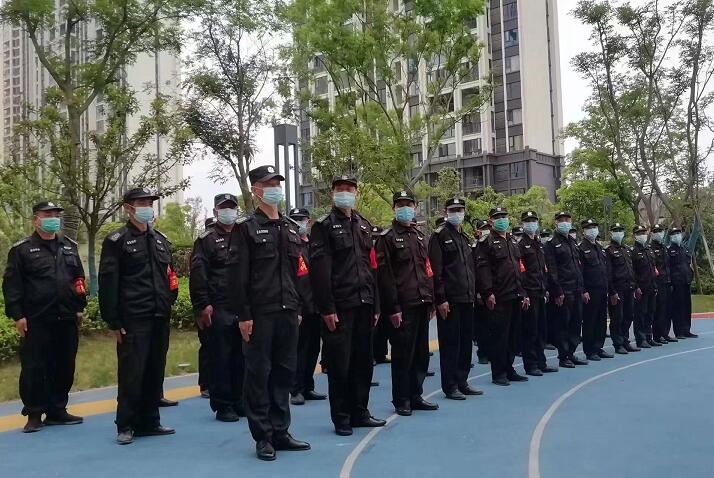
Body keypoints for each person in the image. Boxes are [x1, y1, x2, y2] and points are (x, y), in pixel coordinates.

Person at [227, 166, 311, 461]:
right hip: (260, 314)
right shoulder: (246, 228)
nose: (274, 188)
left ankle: (281, 431)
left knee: (284, 373)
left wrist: (298, 307)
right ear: (256, 190)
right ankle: (263, 436)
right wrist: (244, 315)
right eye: (268, 184)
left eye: (277, 183)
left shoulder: (289, 227)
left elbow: (298, 272)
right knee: (259, 374)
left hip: (288, 312)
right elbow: (237, 276)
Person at [98, 188, 178, 445]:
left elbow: (169, 277)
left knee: (155, 370)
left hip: (159, 315)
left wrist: (169, 303)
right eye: (141, 203)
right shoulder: (117, 241)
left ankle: (150, 420)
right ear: (128, 208)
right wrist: (112, 319)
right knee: (132, 373)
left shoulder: (160, 240)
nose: (146, 207)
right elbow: (108, 282)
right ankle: (126, 424)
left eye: (149, 203)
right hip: (133, 317)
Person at [309, 175, 385, 437]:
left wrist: (376, 305)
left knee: (363, 363)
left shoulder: (364, 225)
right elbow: (320, 272)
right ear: (332, 194)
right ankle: (342, 417)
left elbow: (372, 267)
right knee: (340, 364)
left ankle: (360, 412)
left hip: (364, 303)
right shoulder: (323, 226)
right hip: (340, 306)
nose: (345, 193)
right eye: (340, 189)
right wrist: (327, 308)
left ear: (356, 193)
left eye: (350, 189)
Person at [3, 201, 87, 433]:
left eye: (56, 215)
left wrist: (79, 306)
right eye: (47, 214)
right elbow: (12, 285)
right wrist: (18, 315)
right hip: (37, 319)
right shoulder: (22, 250)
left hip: (66, 317)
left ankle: (57, 410)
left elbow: (78, 279)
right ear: (35, 220)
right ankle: (34, 413)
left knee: (64, 365)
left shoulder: (68, 246)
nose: (53, 218)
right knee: (34, 368)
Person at [376, 191, 439, 414]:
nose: (405, 208)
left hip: (422, 302)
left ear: (414, 207)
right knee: (403, 354)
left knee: (421, 353)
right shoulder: (387, 238)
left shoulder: (419, 236)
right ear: (394, 208)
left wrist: (431, 300)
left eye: (409, 204)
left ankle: (416, 395)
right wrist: (393, 308)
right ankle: (401, 399)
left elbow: (427, 270)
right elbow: (385, 277)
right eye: (400, 204)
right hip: (402, 306)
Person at [189, 194, 244, 422]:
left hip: (242, 305)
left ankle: (240, 400)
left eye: (232, 207)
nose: (228, 212)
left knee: (241, 356)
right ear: (215, 211)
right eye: (224, 208)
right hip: (219, 305)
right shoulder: (207, 239)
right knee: (221, 356)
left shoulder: (243, 235)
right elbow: (198, 274)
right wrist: (203, 304)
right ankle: (223, 404)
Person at [428, 198, 483, 400]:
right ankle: (450, 385)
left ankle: (462, 381)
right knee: (451, 343)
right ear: (446, 212)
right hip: (450, 299)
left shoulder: (464, 237)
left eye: (460, 209)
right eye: (453, 210)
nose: (457, 213)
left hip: (467, 297)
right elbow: (436, 270)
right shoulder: (439, 236)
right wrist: (440, 298)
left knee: (465, 343)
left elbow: (470, 268)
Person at [474, 207, 529, 386]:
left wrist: (523, 292)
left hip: (515, 294)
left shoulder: (512, 241)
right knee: (499, 337)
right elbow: (483, 270)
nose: (502, 219)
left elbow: (519, 269)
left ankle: (509, 368)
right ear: (491, 221)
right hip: (499, 296)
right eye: (498, 217)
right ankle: (498, 372)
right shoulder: (486, 242)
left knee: (513, 336)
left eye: (504, 216)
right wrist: (488, 293)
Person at [288, 207, 327, 406]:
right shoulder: (291, 247)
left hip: (316, 306)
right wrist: (296, 308)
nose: (298, 224)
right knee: (299, 350)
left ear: (309, 222)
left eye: (301, 220)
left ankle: (308, 386)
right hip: (300, 307)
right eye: (294, 220)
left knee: (313, 349)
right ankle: (296, 389)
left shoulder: (314, 246)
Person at [544, 211, 587, 369]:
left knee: (576, 323)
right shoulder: (551, 244)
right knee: (563, 324)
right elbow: (552, 270)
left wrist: (583, 289)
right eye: (561, 220)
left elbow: (578, 268)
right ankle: (563, 356)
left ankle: (571, 352)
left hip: (576, 288)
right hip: (564, 290)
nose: (564, 222)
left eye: (567, 219)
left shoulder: (573, 242)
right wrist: (558, 291)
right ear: (556, 223)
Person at [518, 211, 558, 376]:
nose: (532, 223)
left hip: (541, 291)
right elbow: (521, 272)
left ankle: (541, 362)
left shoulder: (538, 244)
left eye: (534, 220)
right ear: (522, 224)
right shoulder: (521, 245)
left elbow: (544, 269)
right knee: (531, 330)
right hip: (530, 292)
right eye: (528, 221)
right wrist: (524, 293)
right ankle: (531, 364)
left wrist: (546, 288)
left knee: (541, 330)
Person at [578, 219, 613, 361]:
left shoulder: (599, 248)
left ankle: (598, 347)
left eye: (594, 227)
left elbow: (605, 270)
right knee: (590, 321)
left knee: (601, 321)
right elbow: (580, 272)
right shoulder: (581, 248)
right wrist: (583, 290)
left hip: (602, 289)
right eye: (589, 228)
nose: (592, 230)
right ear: (583, 231)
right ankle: (590, 350)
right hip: (590, 290)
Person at [606, 223, 639, 354]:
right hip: (617, 289)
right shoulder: (609, 251)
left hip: (629, 288)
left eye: (620, 230)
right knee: (617, 317)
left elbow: (631, 270)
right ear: (611, 233)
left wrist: (635, 286)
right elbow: (608, 273)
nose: (619, 233)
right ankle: (618, 343)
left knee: (628, 315)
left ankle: (625, 340)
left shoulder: (626, 249)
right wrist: (612, 291)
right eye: (616, 230)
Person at [631, 225, 659, 348]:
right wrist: (636, 287)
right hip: (641, 288)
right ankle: (640, 338)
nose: (642, 235)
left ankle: (648, 336)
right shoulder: (633, 252)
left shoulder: (649, 250)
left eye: (643, 233)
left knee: (650, 312)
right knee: (640, 314)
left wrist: (655, 285)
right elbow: (632, 271)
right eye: (639, 233)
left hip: (651, 286)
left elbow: (653, 269)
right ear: (634, 236)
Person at [198, 216, 217, 399]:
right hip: (207, 305)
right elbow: (198, 280)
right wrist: (201, 306)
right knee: (208, 346)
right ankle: (206, 384)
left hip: (224, 305)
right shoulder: (203, 245)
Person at [668, 227, 697, 339]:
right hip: (676, 283)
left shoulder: (684, 249)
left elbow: (687, 264)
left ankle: (686, 329)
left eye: (678, 233)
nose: (677, 235)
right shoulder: (670, 250)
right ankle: (679, 331)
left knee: (686, 307)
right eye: (674, 234)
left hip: (686, 281)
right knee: (678, 308)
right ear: (671, 237)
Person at [650, 224, 675, 343]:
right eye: (656, 231)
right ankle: (658, 334)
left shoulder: (664, 247)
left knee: (667, 309)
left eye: (660, 231)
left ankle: (665, 333)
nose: (659, 233)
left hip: (667, 281)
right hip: (658, 282)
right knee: (659, 309)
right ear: (652, 234)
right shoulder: (651, 248)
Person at [472, 219, 491, 364]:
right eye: (483, 228)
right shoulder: (474, 247)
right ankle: (483, 353)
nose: (486, 231)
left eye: (488, 228)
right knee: (483, 325)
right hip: (480, 292)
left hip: (493, 290)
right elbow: (475, 271)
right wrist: (477, 291)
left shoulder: (492, 245)